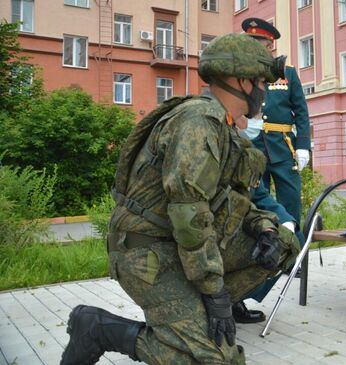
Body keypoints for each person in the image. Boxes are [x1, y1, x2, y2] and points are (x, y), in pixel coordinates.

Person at [59, 33, 299, 365]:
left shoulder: (225, 129)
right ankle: (99, 328)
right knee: (213, 360)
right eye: (260, 81)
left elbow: (236, 202)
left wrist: (266, 229)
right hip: (147, 251)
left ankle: (194, 317)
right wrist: (213, 291)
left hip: (178, 246)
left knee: (285, 243)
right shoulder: (198, 122)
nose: (263, 91)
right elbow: (190, 215)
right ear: (243, 82)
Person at [241, 18, 311, 236]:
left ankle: (295, 260)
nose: (252, 46)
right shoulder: (244, 72)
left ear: (270, 45)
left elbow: (301, 111)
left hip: (282, 147)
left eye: (257, 42)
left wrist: (303, 146)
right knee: (257, 205)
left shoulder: (287, 73)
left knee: (290, 204)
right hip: (253, 147)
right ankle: (264, 261)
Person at [231, 117, 300, 324]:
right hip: (212, 227)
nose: (251, 122)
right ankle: (215, 301)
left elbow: (260, 195)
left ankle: (235, 298)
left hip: (244, 222)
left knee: (290, 238)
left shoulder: (247, 152)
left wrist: (287, 221)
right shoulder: (213, 149)